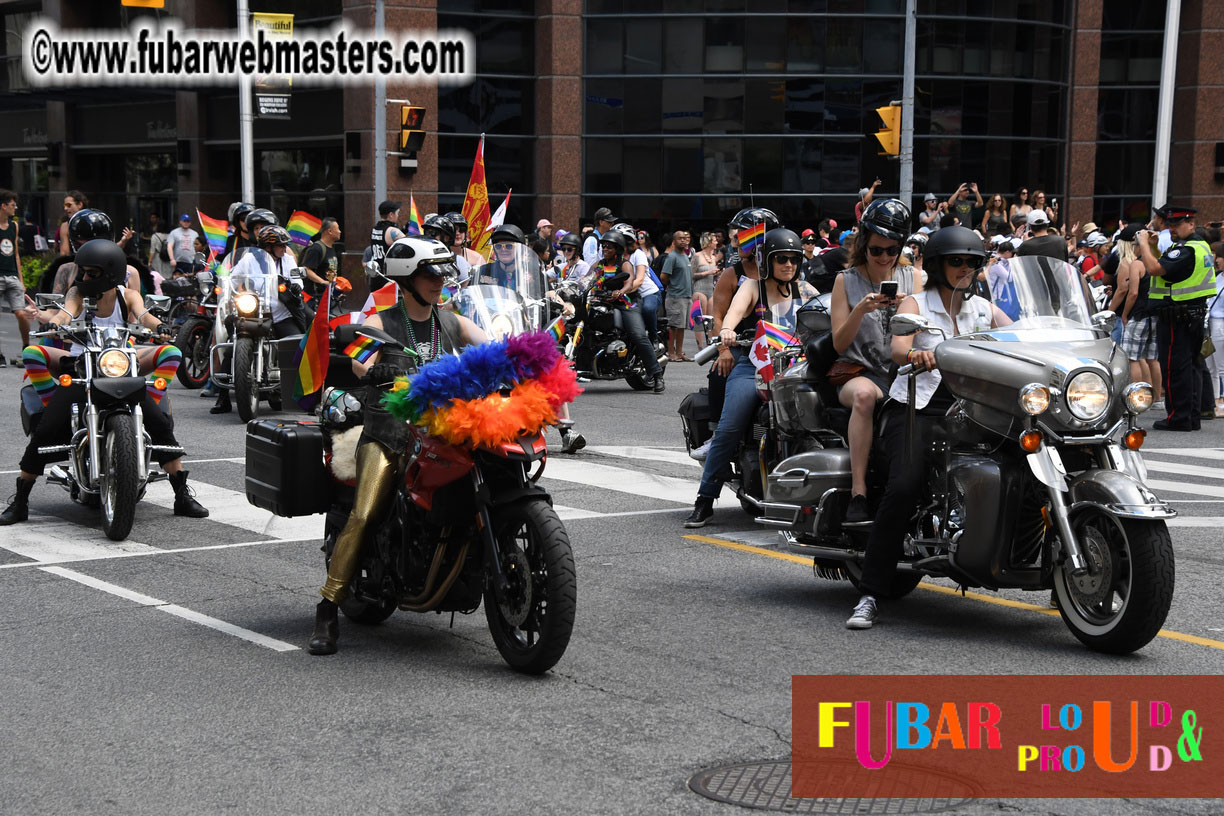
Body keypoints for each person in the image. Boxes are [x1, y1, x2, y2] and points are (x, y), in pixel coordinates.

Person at [308, 236, 487, 655]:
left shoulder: (451, 320)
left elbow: (490, 344)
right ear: (407, 278)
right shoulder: (380, 323)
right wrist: (373, 367)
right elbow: (359, 359)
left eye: (443, 273)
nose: (439, 281)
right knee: (366, 513)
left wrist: (519, 359)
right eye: (430, 274)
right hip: (391, 435)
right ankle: (328, 608)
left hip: (444, 432)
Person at [846, 226, 1010, 629]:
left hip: (975, 410)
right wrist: (919, 353)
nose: (965, 268)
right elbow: (899, 347)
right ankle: (870, 593)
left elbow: (1017, 333)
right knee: (905, 486)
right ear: (937, 265)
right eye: (957, 261)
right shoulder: (918, 304)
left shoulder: (982, 308)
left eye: (972, 261)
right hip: (919, 406)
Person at [1, 239, 209, 526]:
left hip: (120, 366)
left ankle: (181, 494)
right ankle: (21, 500)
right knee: (46, 428)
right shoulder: (77, 293)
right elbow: (66, 312)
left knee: (160, 423)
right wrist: (55, 322)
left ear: (110, 273)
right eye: (83, 272)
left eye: (91, 273)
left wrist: (159, 326)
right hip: (81, 364)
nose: (84, 278)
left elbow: (145, 315)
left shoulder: (128, 295)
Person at [684, 228, 818, 527]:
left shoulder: (807, 290)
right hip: (754, 365)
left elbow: (827, 316)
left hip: (795, 367)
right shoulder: (752, 287)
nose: (788, 265)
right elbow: (732, 314)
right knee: (730, 426)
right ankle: (705, 500)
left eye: (793, 259)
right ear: (767, 260)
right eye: (781, 259)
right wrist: (728, 331)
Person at [829, 199, 914, 524]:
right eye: (876, 250)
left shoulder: (912, 277)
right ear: (864, 243)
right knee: (864, 398)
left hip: (904, 373)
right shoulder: (845, 281)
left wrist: (910, 307)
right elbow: (839, 342)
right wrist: (860, 310)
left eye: (892, 250)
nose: (884, 257)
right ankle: (859, 493)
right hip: (859, 372)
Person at [1142, 207, 1214, 431]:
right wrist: (1154, 246)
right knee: (1191, 367)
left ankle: (1178, 418)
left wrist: (1143, 244)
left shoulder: (1185, 250)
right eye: (1170, 225)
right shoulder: (1199, 246)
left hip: (1177, 318)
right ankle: (1190, 416)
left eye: (1177, 224)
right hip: (1191, 315)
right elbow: (1172, 272)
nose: (1172, 229)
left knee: (1175, 368)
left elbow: (1155, 269)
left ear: (1191, 224)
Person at [590, 230, 664, 393]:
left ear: (617, 248)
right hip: (604, 302)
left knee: (637, 335)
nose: (605, 249)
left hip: (627, 303)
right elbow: (591, 280)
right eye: (603, 246)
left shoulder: (624, 264)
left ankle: (657, 375)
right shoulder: (600, 265)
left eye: (609, 246)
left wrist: (620, 292)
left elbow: (630, 282)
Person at [1111, 224, 1162, 407]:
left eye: (1136, 245)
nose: (1134, 248)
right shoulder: (1158, 263)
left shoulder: (1137, 264)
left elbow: (1132, 293)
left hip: (1138, 315)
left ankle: (1137, 397)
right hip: (1155, 316)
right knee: (1152, 359)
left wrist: (1124, 315)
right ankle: (1156, 399)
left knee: (1132, 358)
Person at [0, 189, 29, 368]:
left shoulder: (14, 226)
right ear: (3, 206)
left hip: (11, 275)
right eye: (12, 205)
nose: (15, 207)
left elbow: (16, 253)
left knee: (22, 313)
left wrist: (21, 279)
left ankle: (26, 348)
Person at [661, 229, 695, 361]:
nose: (683, 240)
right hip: (675, 296)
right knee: (673, 326)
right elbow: (664, 276)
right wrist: (672, 285)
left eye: (685, 238)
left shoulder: (685, 256)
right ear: (674, 241)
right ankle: (671, 353)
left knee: (682, 327)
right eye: (680, 238)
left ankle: (679, 352)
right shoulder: (672, 256)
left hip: (686, 296)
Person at [299, 217, 341, 298]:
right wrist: (323, 282)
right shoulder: (316, 249)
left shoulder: (331, 248)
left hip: (328, 296)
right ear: (330, 231)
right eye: (338, 228)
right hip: (315, 298)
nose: (340, 231)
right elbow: (307, 270)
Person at [691, 232, 719, 347]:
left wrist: (717, 273)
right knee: (700, 319)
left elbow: (714, 276)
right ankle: (700, 346)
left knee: (711, 319)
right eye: (714, 240)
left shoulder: (714, 257)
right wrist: (708, 272)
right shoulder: (697, 256)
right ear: (708, 243)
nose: (716, 242)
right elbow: (692, 275)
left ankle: (711, 345)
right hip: (699, 289)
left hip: (710, 290)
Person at [367, 200, 405, 275]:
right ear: (391, 215)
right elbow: (408, 243)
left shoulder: (374, 229)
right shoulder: (392, 230)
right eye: (397, 213)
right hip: (388, 275)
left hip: (376, 273)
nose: (398, 216)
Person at [1208, 241, 1224, 418]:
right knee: (1210, 365)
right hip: (1210, 323)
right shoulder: (1218, 277)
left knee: (1221, 366)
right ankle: (1213, 400)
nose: (1216, 259)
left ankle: (1222, 401)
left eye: (1219, 256)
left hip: (1220, 324)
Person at [57, 191, 87, 256]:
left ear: (80, 205)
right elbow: (64, 254)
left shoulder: (93, 221)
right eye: (64, 205)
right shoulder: (65, 226)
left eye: (68, 205)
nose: (65, 208)